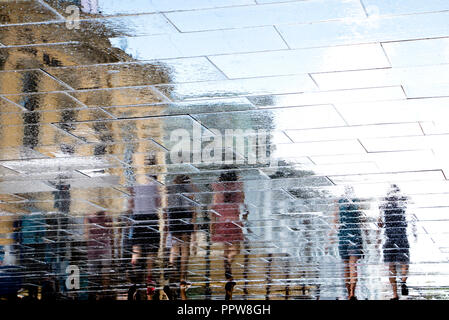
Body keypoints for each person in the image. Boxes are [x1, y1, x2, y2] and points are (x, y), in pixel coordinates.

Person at [328, 186, 368, 300]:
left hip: (343, 236)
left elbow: (335, 221)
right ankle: (352, 292)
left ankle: (348, 290)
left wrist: (330, 237)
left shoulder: (338, 202)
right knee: (353, 266)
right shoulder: (357, 201)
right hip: (355, 235)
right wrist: (368, 236)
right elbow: (362, 219)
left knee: (346, 266)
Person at [210, 169, 246, 299]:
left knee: (228, 247)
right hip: (234, 220)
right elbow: (242, 202)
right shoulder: (238, 187)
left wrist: (212, 223)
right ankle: (227, 263)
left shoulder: (218, 188)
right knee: (236, 249)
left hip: (222, 220)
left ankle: (227, 263)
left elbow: (214, 205)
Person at [378, 184, 415, 300]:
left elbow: (380, 223)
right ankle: (403, 281)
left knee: (391, 266)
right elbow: (411, 212)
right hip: (401, 235)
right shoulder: (402, 202)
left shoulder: (384, 205)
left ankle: (395, 294)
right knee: (404, 262)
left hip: (388, 237)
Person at [127, 176, 162, 300]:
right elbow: (159, 203)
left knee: (137, 248)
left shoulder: (135, 185)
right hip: (151, 218)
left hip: (137, 218)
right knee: (151, 251)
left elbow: (130, 203)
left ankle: (134, 277)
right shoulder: (155, 186)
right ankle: (149, 278)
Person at [165, 174, 197, 291]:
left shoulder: (170, 188)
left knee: (175, 244)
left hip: (173, 215)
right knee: (185, 248)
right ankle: (183, 277)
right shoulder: (189, 189)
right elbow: (193, 205)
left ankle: (171, 263)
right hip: (185, 214)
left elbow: (166, 205)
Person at [84, 211, 113, 300]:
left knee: (95, 272)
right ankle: (103, 294)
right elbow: (112, 233)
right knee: (104, 272)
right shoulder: (106, 213)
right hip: (100, 247)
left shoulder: (89, 214)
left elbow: (86, 233)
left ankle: (96, 294)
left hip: (95, 247)